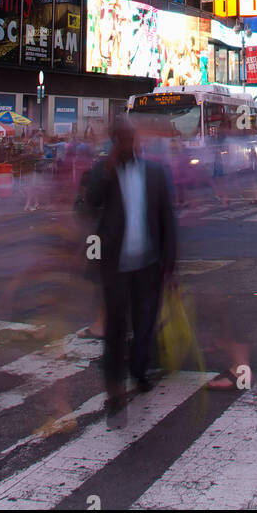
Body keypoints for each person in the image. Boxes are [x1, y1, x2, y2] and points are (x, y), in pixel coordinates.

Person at [83, 116, 176, 425]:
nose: (125, 142)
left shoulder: (155, 173)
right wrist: (107, 169)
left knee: (146, 322)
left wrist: (170, 261)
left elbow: (166, 219)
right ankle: (115, 394)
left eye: (128, 137)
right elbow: (88, 205)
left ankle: (138, 370)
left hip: (148, 264)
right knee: (116, 331)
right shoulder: (103, 171)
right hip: (115, 266)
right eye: (119, 138)